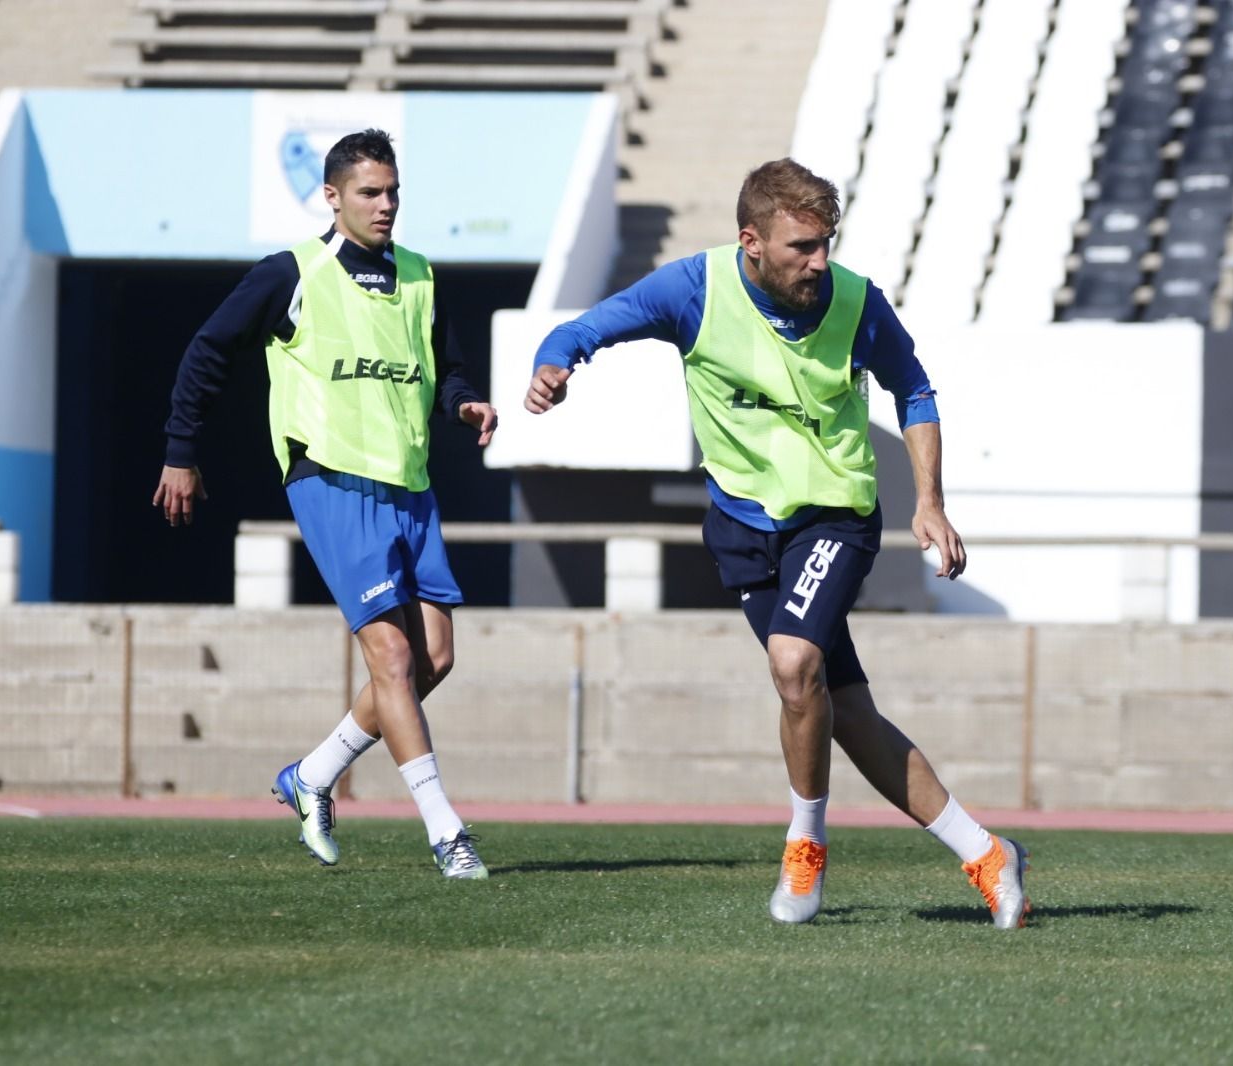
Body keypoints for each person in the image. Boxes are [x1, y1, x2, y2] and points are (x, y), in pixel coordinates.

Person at [524, 158, 1029, 928]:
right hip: (741, 529)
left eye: (827, 243)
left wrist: (929, 502)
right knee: (844, 711)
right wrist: (554, 365)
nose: (820, 262)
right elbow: (583, 328)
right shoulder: (693, 290)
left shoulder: (855, 301)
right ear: (750, 242)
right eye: (802, 247)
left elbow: (914, 387)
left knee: (794, 666)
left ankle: (805, 846)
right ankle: (988, 854)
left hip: (834, 517)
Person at [153, 129, 496, 880]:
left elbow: (449, 371)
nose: (385, 205)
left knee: (434, 656)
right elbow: (209, 351)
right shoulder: (293, 272)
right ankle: (447, 834)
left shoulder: (419, 275)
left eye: (393, 191)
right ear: (333, 197)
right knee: (394, 656)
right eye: (370, 193)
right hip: (330, 479)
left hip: (408, 485)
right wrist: (182, 450)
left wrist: (466, 404)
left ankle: (311, 775)